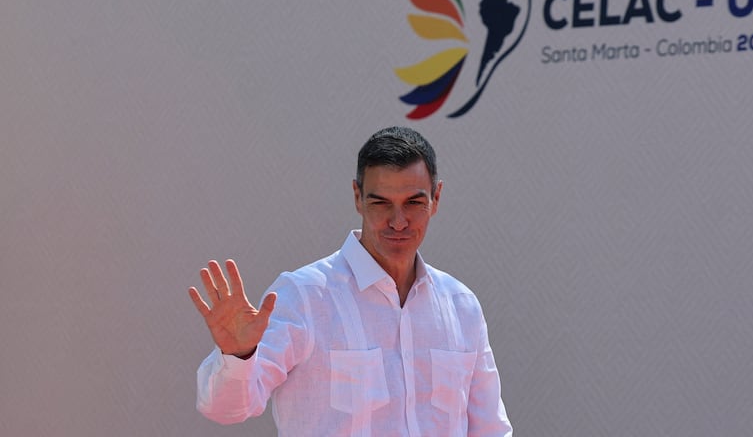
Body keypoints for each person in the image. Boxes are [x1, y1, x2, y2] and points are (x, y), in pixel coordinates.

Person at [189, 126, 512, 436]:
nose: (398, 221)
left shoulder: (461, 305)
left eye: (413, 203)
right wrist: (239, 355)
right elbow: (225, 410)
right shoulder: (304, 297)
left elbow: (491, 429)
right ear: (357, 197)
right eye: (380, 202)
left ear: (436, 198)